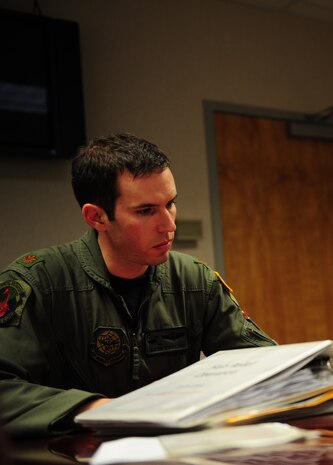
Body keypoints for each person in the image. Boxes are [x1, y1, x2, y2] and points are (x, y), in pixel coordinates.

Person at [0, 133, 275, 436]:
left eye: (170, 204)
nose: (169, 225)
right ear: (97, 217)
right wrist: (97, 409)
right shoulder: (38, 282)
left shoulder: (195, 281)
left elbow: (263, 365)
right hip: (70, 453)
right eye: (146, 211)